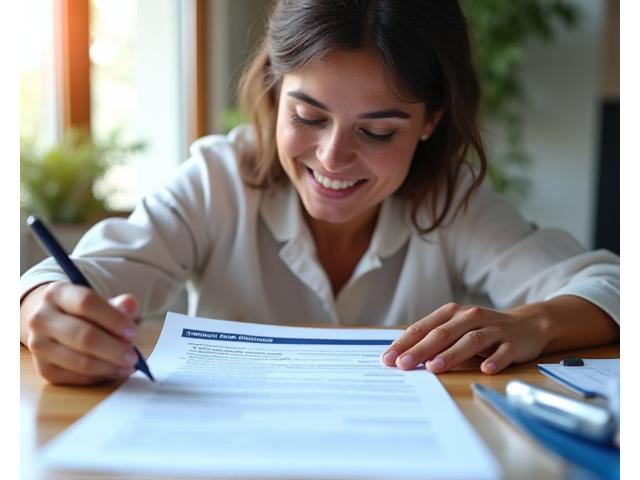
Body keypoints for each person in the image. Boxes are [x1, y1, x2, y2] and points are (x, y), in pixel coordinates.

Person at [20, 0, 619, 386]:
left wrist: (531, 323)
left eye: (378, 131)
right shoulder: (218, 180)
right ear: (276, 94)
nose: (333, 158)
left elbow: (616, 287)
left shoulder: (450, 201)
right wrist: (41, 308)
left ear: (430, 121)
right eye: (307, 117)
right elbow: (60, 278)